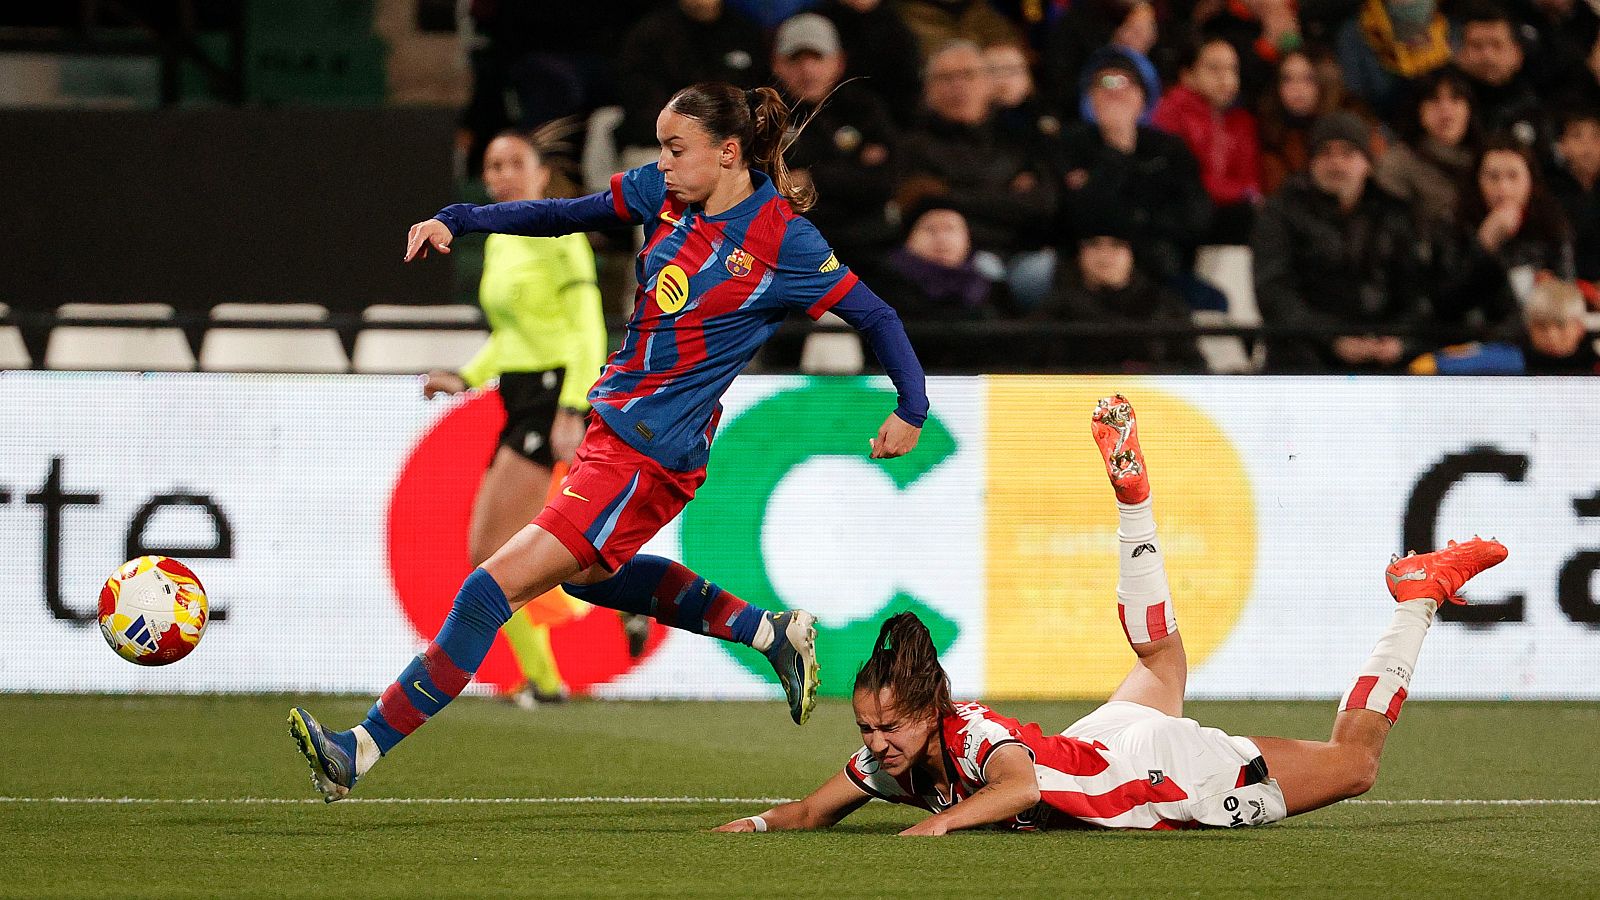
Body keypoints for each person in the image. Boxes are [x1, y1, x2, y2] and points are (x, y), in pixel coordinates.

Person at [289, 82, 931, 802]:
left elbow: (876, 316)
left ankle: (359, 748)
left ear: (727, 152)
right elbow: (561, 214)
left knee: (487, 589)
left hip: (648, 454)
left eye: (676, 148)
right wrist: (459, 217)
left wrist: (911, 407)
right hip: (615, 432)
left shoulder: (783, 239)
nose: (662, 162)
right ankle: (767, 632)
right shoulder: (664, 195)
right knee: (587, 577)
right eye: (661, 147)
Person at [715, 394, 1508, 834]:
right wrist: (747, 829)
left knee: (1354, 764)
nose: (876, 742)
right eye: (866, 727)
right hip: (1099, 743)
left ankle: (1418, 597)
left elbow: (1021, 787)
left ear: (930, 712)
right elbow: (809, 812)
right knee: (1161, 661)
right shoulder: (893, 762)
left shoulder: (970, 734)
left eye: (889, 726)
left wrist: (939, 826)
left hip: (1151, 775)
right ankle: (1136, 506)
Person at [422, 129, 609, 707]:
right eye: (492, 165)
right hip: (521, 396)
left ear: (541, 175)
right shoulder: (501, 239)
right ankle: (547, 677)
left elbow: (588, 328)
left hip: (552, 395)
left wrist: (573, 407)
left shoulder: (559, 236)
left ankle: (548, 677)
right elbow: (511, 335)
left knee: (494, 550)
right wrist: (467, 376)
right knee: (508, 551)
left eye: (514, 163)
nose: (501, 175)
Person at [1252, 112, 1428, 371]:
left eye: (1347, 153)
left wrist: (1398, 339)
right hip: (1305, 351)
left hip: (1383, 353)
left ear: (1367, 163)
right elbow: (1274, 293)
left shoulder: (1394, 214)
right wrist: (1333, 339)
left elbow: (1415, 292)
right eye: (1325, 153)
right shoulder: (1282, 211)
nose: (1336, 163)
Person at [1435, 136, 1575, 341]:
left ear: (1530, 180)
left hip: (1538, 341)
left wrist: (1549, 290)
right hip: (1471, 339)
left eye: (1513, 176)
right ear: (1477, 181)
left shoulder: (1551, 224)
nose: (1503, 189)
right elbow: (1445, 304)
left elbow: (1567, 298)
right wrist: (1484, 246)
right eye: (1493, 177)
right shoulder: (1454, 224)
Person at [1152, 35, 1263, 244]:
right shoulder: (1170, 112)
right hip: (1181, 217)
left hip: (1229, 215)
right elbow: (1184, 181)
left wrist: (1246, 194)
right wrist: (1242, 193)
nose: (1226, 79)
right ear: (1187, 75)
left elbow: (1249, 179)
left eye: (1232, 69)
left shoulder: (1242, 121)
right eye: (1214, 69)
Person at [1372, 67, 1479, 250]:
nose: (1446, 110)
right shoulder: (1397, 164)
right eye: (1433, 100)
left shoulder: (1486, 160)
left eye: (1456, 99)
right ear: (1418, 110)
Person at [1549, 107, 1600, 282]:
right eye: (1577, 136)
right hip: (1569, 283)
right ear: (1561, 145)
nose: (1588, 146)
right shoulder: (1551, 191)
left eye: (1596, 136)